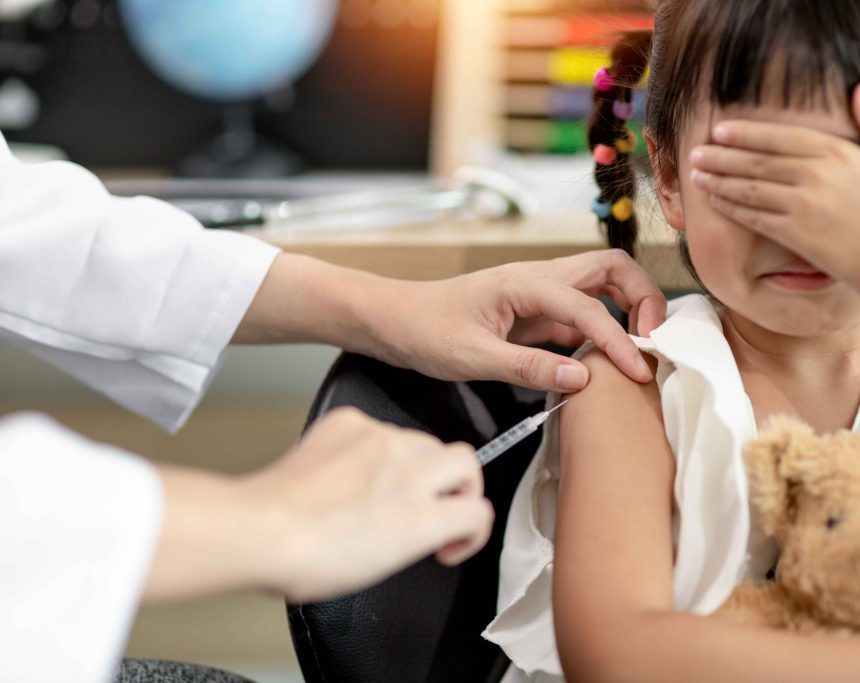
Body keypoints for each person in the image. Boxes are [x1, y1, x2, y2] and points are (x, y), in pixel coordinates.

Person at [0, 128, 668, 683]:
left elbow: (21, 220)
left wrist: (388, 307)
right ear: (665, 172)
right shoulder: (619, 388)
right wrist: (259, 519)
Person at [484, 1, 860, 681]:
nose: (801, 223)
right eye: (754, 170)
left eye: (847, 170)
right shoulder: (635, 384)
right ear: (673, 178)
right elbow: (614, 651)